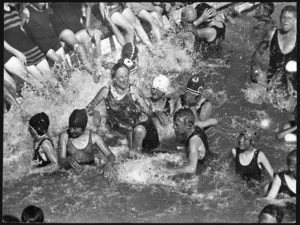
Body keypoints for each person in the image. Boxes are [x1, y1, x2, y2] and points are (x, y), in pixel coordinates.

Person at [86, 63, 159, 154]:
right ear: (114, 79)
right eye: (121, 77)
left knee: (136, 154)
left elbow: (148, 111)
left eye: (126, 76)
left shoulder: (133, 91)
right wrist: (96, 121)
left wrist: (158, 113)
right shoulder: (105, 91)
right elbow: (89, 108)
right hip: (126, 131)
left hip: (143, 130)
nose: (124, 80)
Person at [48, 2, 101, 79]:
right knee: (77, 46)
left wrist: (87, 26)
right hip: (63, 29)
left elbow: (88, 5)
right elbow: (46, 15)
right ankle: (92, 72)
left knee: (87, 41)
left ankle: (96, 70)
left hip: (77, 26)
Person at [250, 5, 296, 90]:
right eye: (283, 17)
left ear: (295, 20)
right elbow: (257, 53)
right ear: (279, 18)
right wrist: (254, 71)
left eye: (289, 18)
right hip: (271, 84)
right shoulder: (272, 33)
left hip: (293, 86)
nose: (285, 21)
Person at [58, 109, 115, 176]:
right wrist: (67, 160)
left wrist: (109, 163)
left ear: (83, 128)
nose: (71, 131)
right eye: (70, 127)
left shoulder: (94, 137)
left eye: (75, 128)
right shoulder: (65, 136)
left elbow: (111, 155)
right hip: (71, 174)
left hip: (90, 171)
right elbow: (61, 160)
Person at [4, 3, 46, 89]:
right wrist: (16, 52)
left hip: (29, 46)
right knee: (38, 81)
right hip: (18, 51)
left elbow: (19, 27)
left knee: (48, 77)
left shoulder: (13, 9)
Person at [165, 108, 215, 175]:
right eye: (174, 123)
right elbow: (214, 121)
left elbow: (191, 169)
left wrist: (168, 171)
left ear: (188, 125)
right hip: (211, 158)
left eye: (177, 124)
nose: (173, 127)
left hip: (209, 169)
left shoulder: (193, 141)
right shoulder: (198, 125)